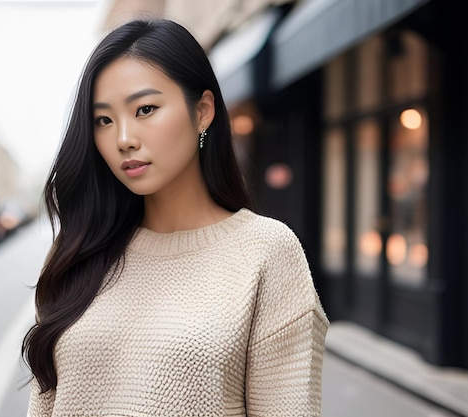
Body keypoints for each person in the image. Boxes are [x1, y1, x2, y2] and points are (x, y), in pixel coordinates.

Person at [23, 17, 329, 417]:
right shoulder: (78, 251)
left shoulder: (266, 253)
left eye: (145, 109)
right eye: (104, 120)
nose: (123, 139)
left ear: (202, 111)